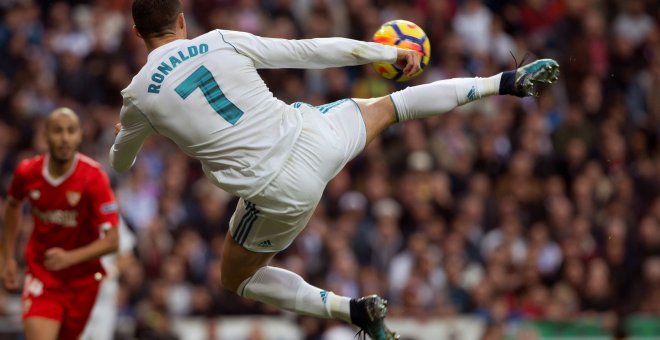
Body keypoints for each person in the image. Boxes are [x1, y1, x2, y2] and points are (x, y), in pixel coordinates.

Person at [110, 1, 559, 338]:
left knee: (236, 278)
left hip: (278, 188)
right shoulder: (221, 39)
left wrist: (128, 130)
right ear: (182, 18)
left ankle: (352, 312)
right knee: (393, 105)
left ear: (136, 32)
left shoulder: (138, 96)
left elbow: (121, 162)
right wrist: (380, 50)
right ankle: (502, 82)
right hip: (315, 134)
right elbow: (307, 51)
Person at [2, 108, 120, 340]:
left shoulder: (94, 177)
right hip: (42, 274)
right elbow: (12, 205)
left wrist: (69, 258)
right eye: (57, 131)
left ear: (79, 136)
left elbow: (112, 241)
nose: (64, 138)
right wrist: (6, 256)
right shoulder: (27, 172)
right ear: (45, 135)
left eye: (70, 131)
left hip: (82, 281)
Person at [80, 218, 136, 340]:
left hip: (104, 298)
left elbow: (127, 254)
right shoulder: (74, 213)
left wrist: (110, 272)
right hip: (78, 295)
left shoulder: (110, 216)